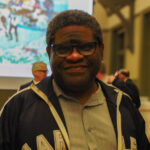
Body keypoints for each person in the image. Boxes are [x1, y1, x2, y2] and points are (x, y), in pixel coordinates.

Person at [0, 10, 149, 150]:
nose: (75, 56)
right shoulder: (17, 108)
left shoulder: (124, 105)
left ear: (101, 51)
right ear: (49, 53)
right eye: (63, 49)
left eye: (86, 47)